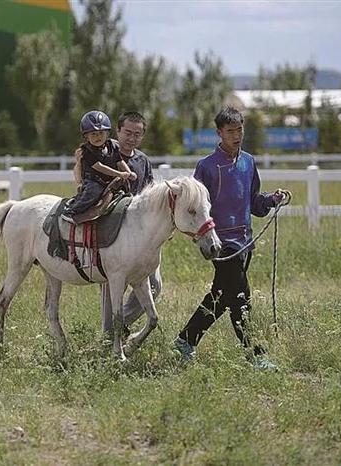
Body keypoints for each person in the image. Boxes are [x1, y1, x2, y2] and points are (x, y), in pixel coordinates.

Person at [173, 106, 289, 371]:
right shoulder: (206, 167)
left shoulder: (248, 162)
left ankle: (185, 340)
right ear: (219, 133)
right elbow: (193, 207)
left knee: (221, 295)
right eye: (230, 131)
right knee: (240, 297)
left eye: (239, 130)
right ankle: (256, 354)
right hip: (220, 243)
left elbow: (254, 203)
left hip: (246, 241)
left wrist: (271, 200)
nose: (236, 136)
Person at [100, 111, 160, 337]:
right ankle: (109, 332)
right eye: (127, 132)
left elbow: (151, 194)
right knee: (112, 284)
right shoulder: (106, 154)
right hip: (113, 230)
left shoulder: (142, 161)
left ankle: (118, 324)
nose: (131, 138)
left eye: (137, 134)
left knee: (154, 284)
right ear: (118, 131)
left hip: (142, 235)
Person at [62, 110, 135, 223]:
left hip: (110, 180)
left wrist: (129, 172)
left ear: (107, 133)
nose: (98, 137)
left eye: (101, 133)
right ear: (86, 136)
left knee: (127, 188)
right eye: (93, 134)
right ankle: (73, 211)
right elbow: (100, 167)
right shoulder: (87, 151)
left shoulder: (113, 145)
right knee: (94, 192)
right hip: (94, 181)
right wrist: (119, 174)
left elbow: (119, 161)